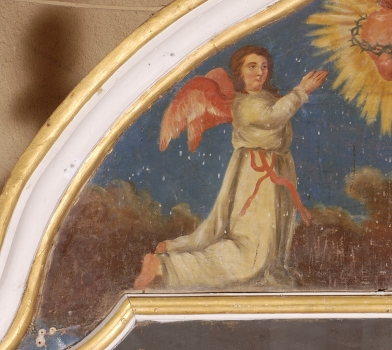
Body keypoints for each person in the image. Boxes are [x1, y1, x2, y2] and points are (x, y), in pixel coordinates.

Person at [134, 46, 327, 289]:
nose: (260, 72)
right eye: (252, 67)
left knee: (262, 247)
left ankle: (172, 249)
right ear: (239, 72)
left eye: (264, 67)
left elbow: (274, 114)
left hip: (269, 173)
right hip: (257, 177)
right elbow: (272, 117)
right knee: (249, 253)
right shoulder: (244, 102)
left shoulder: (263, 97)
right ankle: (165, 266)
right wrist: (302, 90)